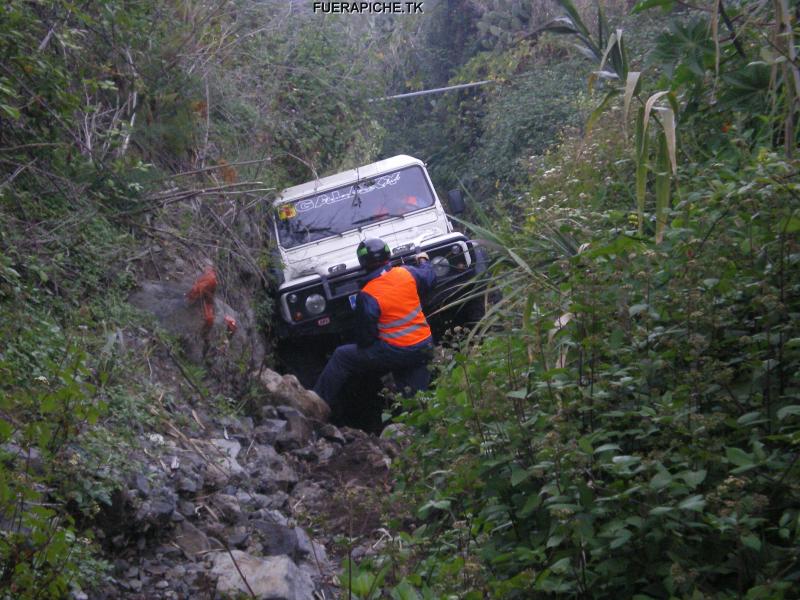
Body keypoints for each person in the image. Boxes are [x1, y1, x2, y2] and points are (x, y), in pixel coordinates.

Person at [313, 238, 437, 412]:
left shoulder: (368, 294)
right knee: (416, 403)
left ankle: (316, 404)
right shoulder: (407, 273)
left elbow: (366, 338)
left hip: (396, 351)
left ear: (363, 262)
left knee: (342, 355)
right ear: (388, 255)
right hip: (425, 346)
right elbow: (429, 276)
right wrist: (423, 260)